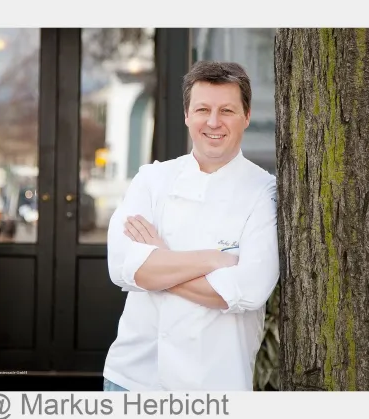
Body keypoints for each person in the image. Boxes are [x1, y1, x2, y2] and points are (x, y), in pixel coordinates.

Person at [102, 61, 279, 391]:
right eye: (202, 109)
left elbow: (249, 289)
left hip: (215, 383)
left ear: (246, 116)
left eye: (227, 110)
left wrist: (159, 263)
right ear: (186, 115)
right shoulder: (151, 179)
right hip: (133, 379)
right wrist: (213, 260)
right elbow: (122, 266)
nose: (213, 122)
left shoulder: (263, 192)